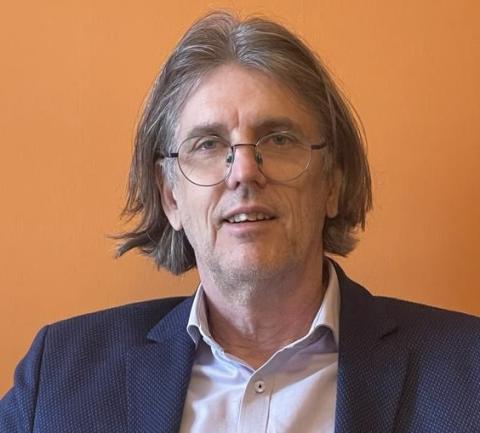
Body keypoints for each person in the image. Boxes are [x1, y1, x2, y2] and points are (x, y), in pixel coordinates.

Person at [1, 11, 479, 433]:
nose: (245, 171)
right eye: (208, 145)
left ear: (332, 183)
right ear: (170, 196)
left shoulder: (468, 372)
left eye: (279, 139)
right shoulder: (59, 378)